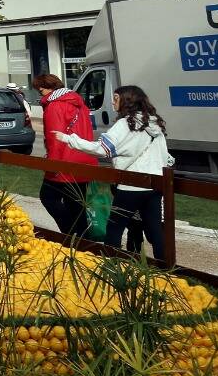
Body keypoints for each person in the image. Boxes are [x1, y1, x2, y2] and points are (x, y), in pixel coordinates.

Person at [57, 85, 172, 260]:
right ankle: (166, 272)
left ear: (127, 100)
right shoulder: (154, 122)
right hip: (154, 186)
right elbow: (166, 157)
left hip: (130, 186)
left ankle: (112, 266)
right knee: (155, 231)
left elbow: (102, 149)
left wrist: (69, 139)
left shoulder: (125, 124)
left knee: (114, 229)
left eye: (116, 98)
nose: (112, 101)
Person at [34, 72, 97, 238]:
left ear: (48, 88)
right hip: (84, 158)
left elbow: (55, 139)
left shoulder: (54, 106)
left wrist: (52, 164)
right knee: (76, 204)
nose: (39, 93)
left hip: (64, 161)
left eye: (40, 90)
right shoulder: (80, 104)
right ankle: (83, 241)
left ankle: (69, 234)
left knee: (48, 197)